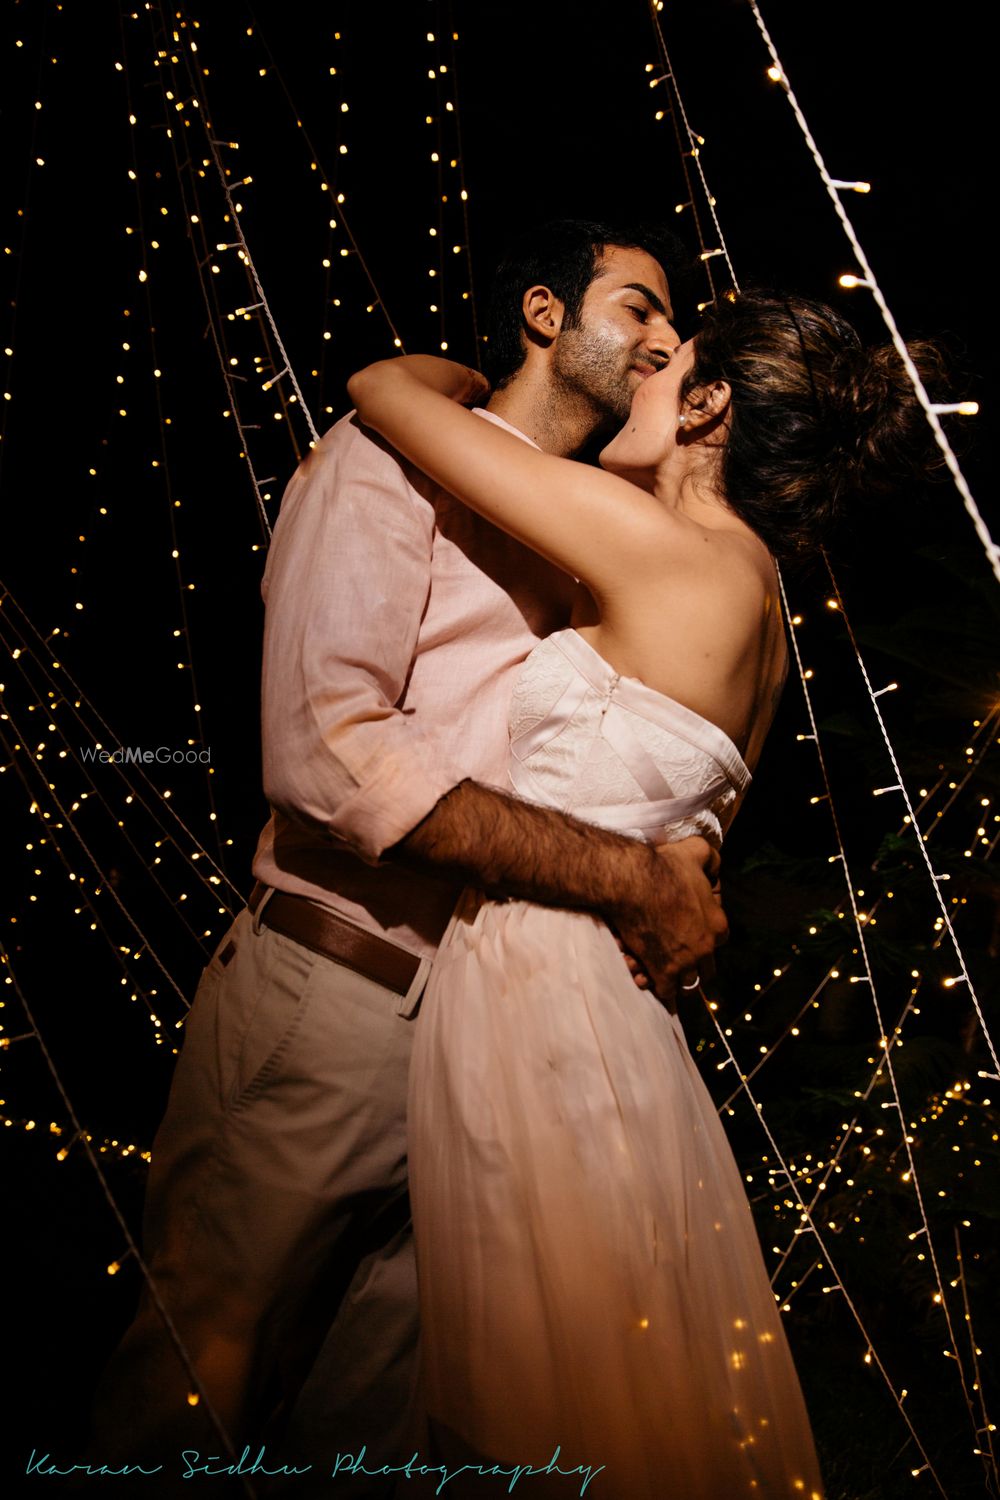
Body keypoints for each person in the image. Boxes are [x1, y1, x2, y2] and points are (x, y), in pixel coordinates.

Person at [86, 221, 728, 1491]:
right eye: (638, 308)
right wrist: (624, 878)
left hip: (488, 1051)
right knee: (197, 1393)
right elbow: (329, 760)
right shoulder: (384, 467)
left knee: (377, 1427)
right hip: (336, 994)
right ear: (544, 315)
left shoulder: (589, 527)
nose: (662, 342)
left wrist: (687, 841)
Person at [348, 293, 936, 1498]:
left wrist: (485, 368)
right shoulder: (759, 594)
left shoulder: (655, 543)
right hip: (614, 1014)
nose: (634, 386)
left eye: (662, 368)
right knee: (615, 1368)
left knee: (534, 1399)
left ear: (709, 407)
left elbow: (381, 393)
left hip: (539, 993)